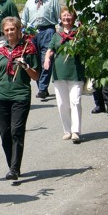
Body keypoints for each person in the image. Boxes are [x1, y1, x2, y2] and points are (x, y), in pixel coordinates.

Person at [0, 16, 40, 181]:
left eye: (13, 29)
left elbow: (36, 75)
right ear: (3, 32)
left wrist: (25, 66)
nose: (10, 32)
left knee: (16, 131)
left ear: (19, 31)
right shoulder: (0, 52)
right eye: (7, 30)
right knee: (5, 134)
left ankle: (14, 168)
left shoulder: (28, 49)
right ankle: (12, 163)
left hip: (20, 95)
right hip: (1, 96)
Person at [43, 7, 85, 143]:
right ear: (61, 18)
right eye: (64, 16)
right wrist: (47, 59)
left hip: (75, 73)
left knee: (75, 102)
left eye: (69, 16)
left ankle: (75, 131)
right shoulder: (57, 35)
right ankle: (67, 130)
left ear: (73, 18)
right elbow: (50, 49)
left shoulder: (78, 34)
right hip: (59, 73)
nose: (66, 18)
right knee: (62, 104)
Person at [21, 0, 61, 100]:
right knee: (35, 61)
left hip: (48, 31)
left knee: (46, 59)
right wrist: (23, 33)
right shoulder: (29, 1)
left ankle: (43, 88)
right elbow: (24, 19)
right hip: (32, 33)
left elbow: (58, 17)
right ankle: (41, 87)